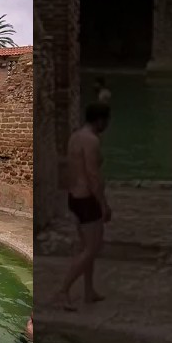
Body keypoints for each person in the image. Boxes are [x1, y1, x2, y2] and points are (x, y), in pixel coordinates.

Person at [54, 103, 112, 309]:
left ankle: (89, 291)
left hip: (74, 197)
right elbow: (93, 175)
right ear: (101, 120)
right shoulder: (92, 141)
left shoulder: (75, 137)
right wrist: (103, 204)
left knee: (88, 246)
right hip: (87, 199)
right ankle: (63, 291)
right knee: (92, 248)